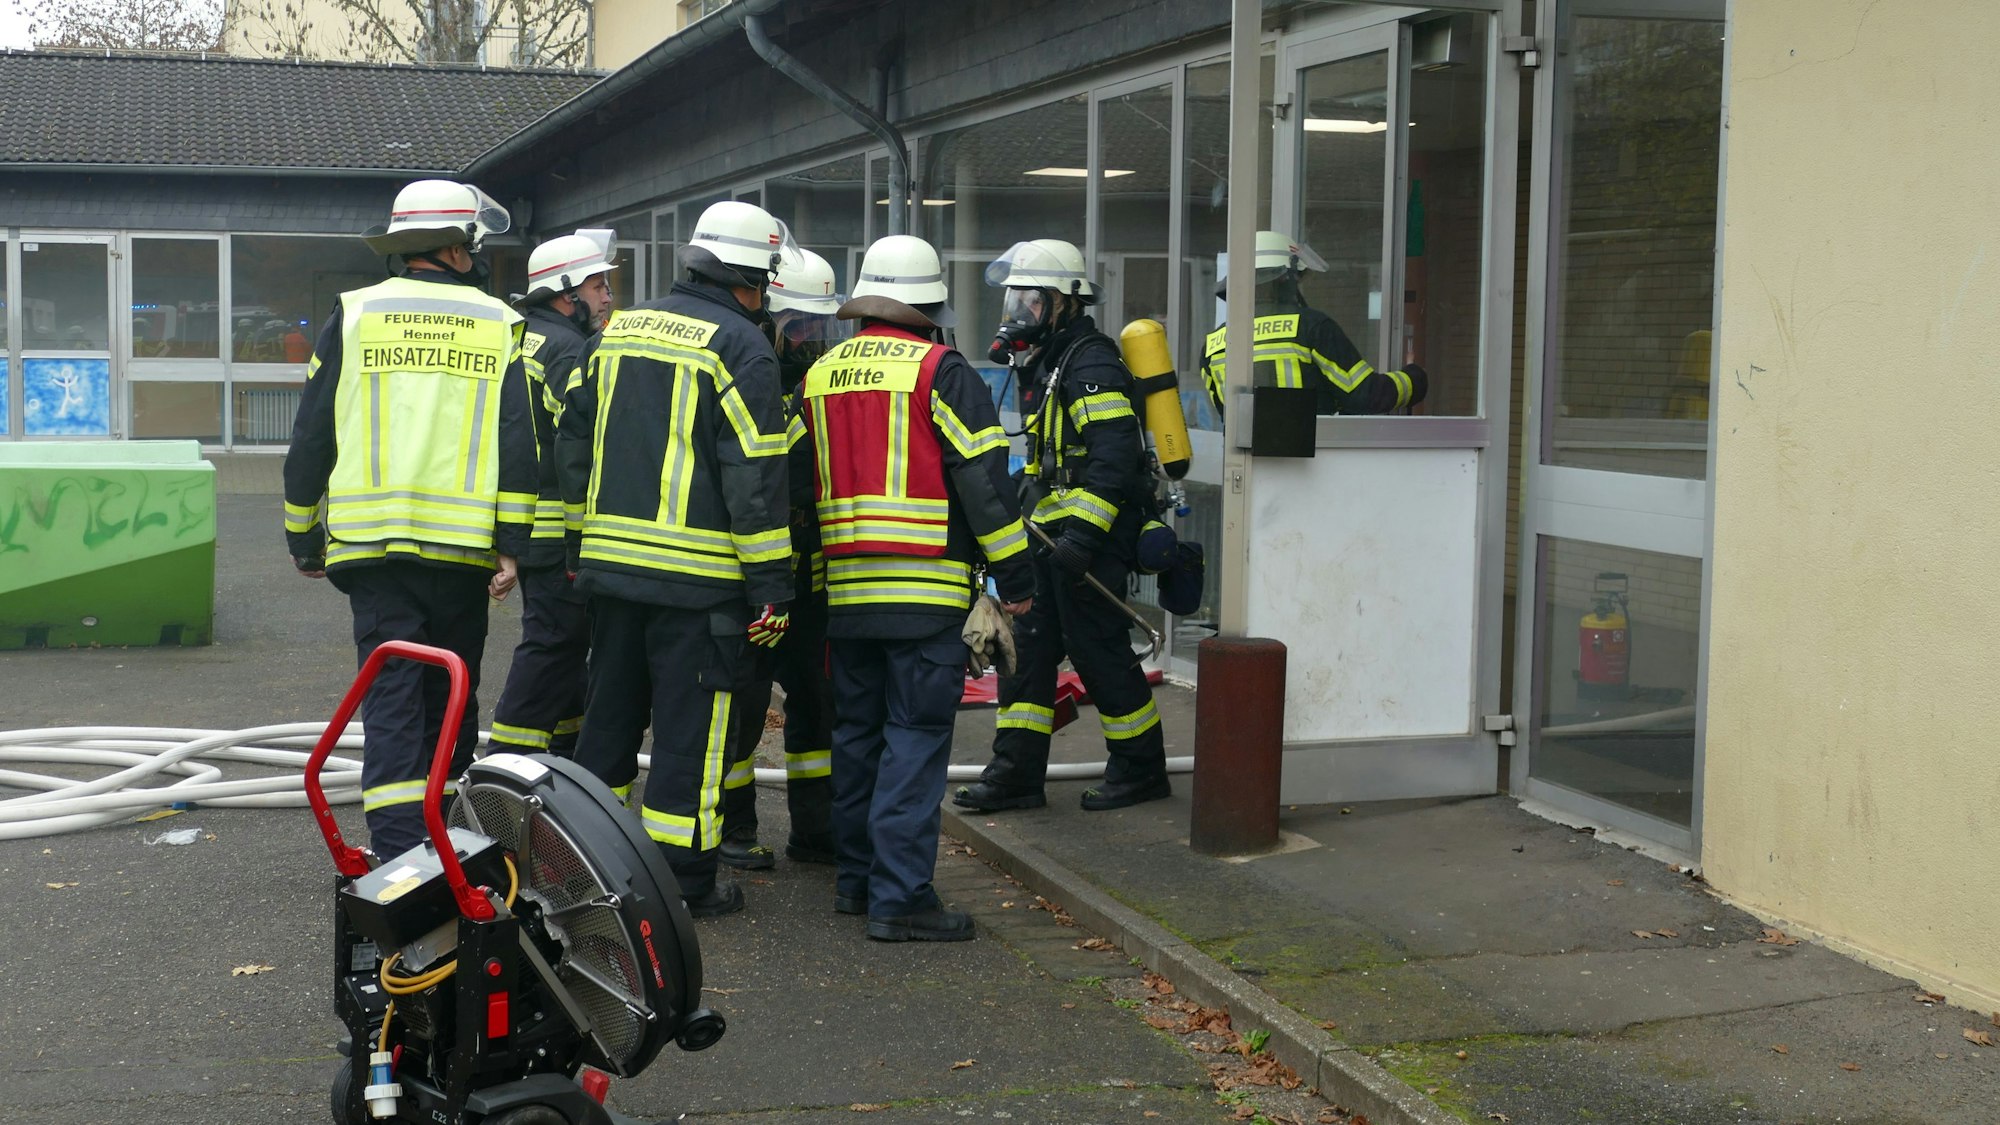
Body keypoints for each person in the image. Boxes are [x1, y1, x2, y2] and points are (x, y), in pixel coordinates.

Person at [282, 178, 537, 861]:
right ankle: (449, 844)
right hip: (461, 555)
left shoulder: (356, 313)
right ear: (457, 248)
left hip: (372, 550)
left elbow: (312, 434)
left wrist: (302, 531)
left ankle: (399, 857)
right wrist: (511, 547)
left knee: (392, 695)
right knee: (451, 693)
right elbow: (518, 441)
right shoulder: (498, 322)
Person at [558, 200, 794, 919]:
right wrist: (772, 587)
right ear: (753, 277)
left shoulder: (618, 330)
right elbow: (754, 475)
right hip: (699, 586)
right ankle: (684, 884)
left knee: (608, 723)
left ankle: (581, 870)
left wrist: (580, 546)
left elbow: (572, 445)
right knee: (691, 740)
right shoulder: (742, 346)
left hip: (610, 573)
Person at [798, 234, 1034, 942]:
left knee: (858, 737)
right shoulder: (941, 370)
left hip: (847, 598)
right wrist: (1015, 578)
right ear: (929, 304)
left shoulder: (821, 373)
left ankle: (856, 882)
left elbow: (796, 483)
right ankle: (900, 899)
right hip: (925, 596)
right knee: (914, 740)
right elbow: (987, 485)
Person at [953, 239, 1171, 816]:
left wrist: (1085, 538)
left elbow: (1115, 456)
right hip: (1050, 537)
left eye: (1032, 300)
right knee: (1027, 654)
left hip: (1087, 539)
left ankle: (1142, 768)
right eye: (1015, 299)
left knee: (1098, 652)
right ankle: (1018, 775)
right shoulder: (1049, 359)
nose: (1019, 312)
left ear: (1066, 303)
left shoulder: (1091, 360)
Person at [719, 247, 847, 870]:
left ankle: (816, 830)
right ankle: (735, 828)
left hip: (811, 578)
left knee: (817, 705)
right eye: (800, 329)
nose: (811, 344)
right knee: (740, 708)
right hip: (753, 576)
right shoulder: (746, 377)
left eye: (821, 330)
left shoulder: (818, 389)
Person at [487, 229, 617, 759]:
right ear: (567, 292)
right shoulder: (568, 348)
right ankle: (502, 767)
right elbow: (583, 438)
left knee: (563, 648)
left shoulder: (518, 337)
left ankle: (567, 757)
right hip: (556, 529)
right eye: (598, 285)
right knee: (554, 644)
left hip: (521, 526)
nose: (607, 295)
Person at [1198, 230, 1427, 419]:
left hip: (1249, 469)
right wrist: (1414, 377)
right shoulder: (1312, 328)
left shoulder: (1212, 345)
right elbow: (1366, 395)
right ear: (1285, 278)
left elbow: (1225, 414)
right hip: (1311, 466)